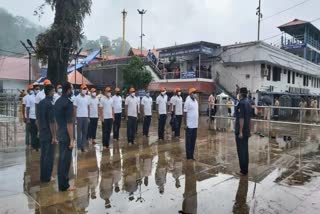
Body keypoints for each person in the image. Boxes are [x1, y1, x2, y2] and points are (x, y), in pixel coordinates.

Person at [55, 82, 75, 191]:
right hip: (66, 135)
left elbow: (57, 120)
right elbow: (69, 123)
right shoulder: (68, 103)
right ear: (68, 90)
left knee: (61, 160)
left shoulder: (57, 101)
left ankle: (61, 183)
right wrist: (72, 139)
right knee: (66, 160)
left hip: (60, 133)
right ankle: (64, 185)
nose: (72, 91)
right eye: (71, 89)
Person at [38, 84, 57, 182]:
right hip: (48, 133)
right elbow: (52, 121)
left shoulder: (41, 103)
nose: (54, 93)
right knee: (49, 156)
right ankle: (47, 177)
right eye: (54, 91)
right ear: (50, 92)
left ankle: (43, 176)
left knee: (43, 156)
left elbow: (38, 118)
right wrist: (54, 136)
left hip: (42, 131)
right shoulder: (50, 104)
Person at [235, 87, 251, 176]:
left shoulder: (241, 103)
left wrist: (240, 131)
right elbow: (249, 118)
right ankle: (245, 169)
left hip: (241, 131)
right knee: (245, 150)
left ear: (241, 94)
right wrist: (250, 129)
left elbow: (241, 118)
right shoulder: (248, 102)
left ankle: (242, 171)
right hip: (246, 130)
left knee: (241, 151)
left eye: (239, 93)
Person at [74, 84, 90, 152]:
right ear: (80, 90)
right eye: (83, 89)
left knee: (85, 132)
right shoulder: (77, 98)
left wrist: (88, 117)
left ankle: (83, 147)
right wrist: (75, 118)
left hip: (85, 117)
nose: (84, 90)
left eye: (85, 89)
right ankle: (78, 147)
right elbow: (74, 108)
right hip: (79, 117)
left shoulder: (87, 97)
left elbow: (88, 107)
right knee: (79, 132)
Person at [184, 88, 199, 160]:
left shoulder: (196, 101)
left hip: (195, 125)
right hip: (189, 125)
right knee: (188, 142)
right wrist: (184, 124)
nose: (195, 94)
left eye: (195, 92)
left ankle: (192, 155)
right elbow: (185, 113)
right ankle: (188, 156)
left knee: (193, 141)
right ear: (190, 93)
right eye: (194, 92)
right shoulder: (187, 101)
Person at [26, 84, 39, 151]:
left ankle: (38, 146)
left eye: (38, 89)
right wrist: (27, 118)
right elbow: (27, 108)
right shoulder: (29, 97)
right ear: (34, 90)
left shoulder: (40, 96)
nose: (38, 90)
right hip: (32, 117)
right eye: (36, 89)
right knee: (33, 133)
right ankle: (34, 147)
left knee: (39, 133)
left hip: (39, 118)